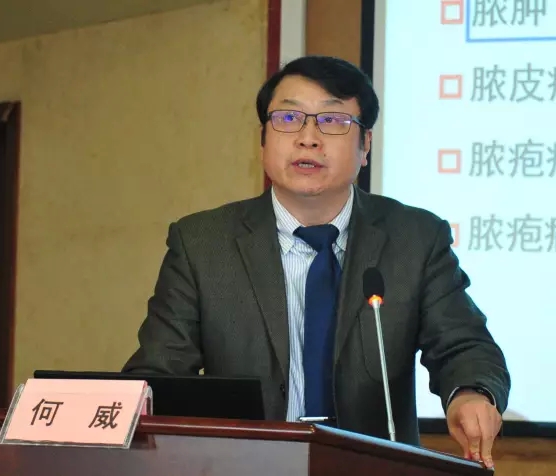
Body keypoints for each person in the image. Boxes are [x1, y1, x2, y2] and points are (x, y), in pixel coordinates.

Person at [122, 55, 510, 469]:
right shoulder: (203, 244)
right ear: (263, 139)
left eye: (333, 120)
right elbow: (157, 375)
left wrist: (470, 393)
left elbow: (463, 346)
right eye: (288, 118)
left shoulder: (415, 239)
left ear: (365, 145)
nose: (308, 138)